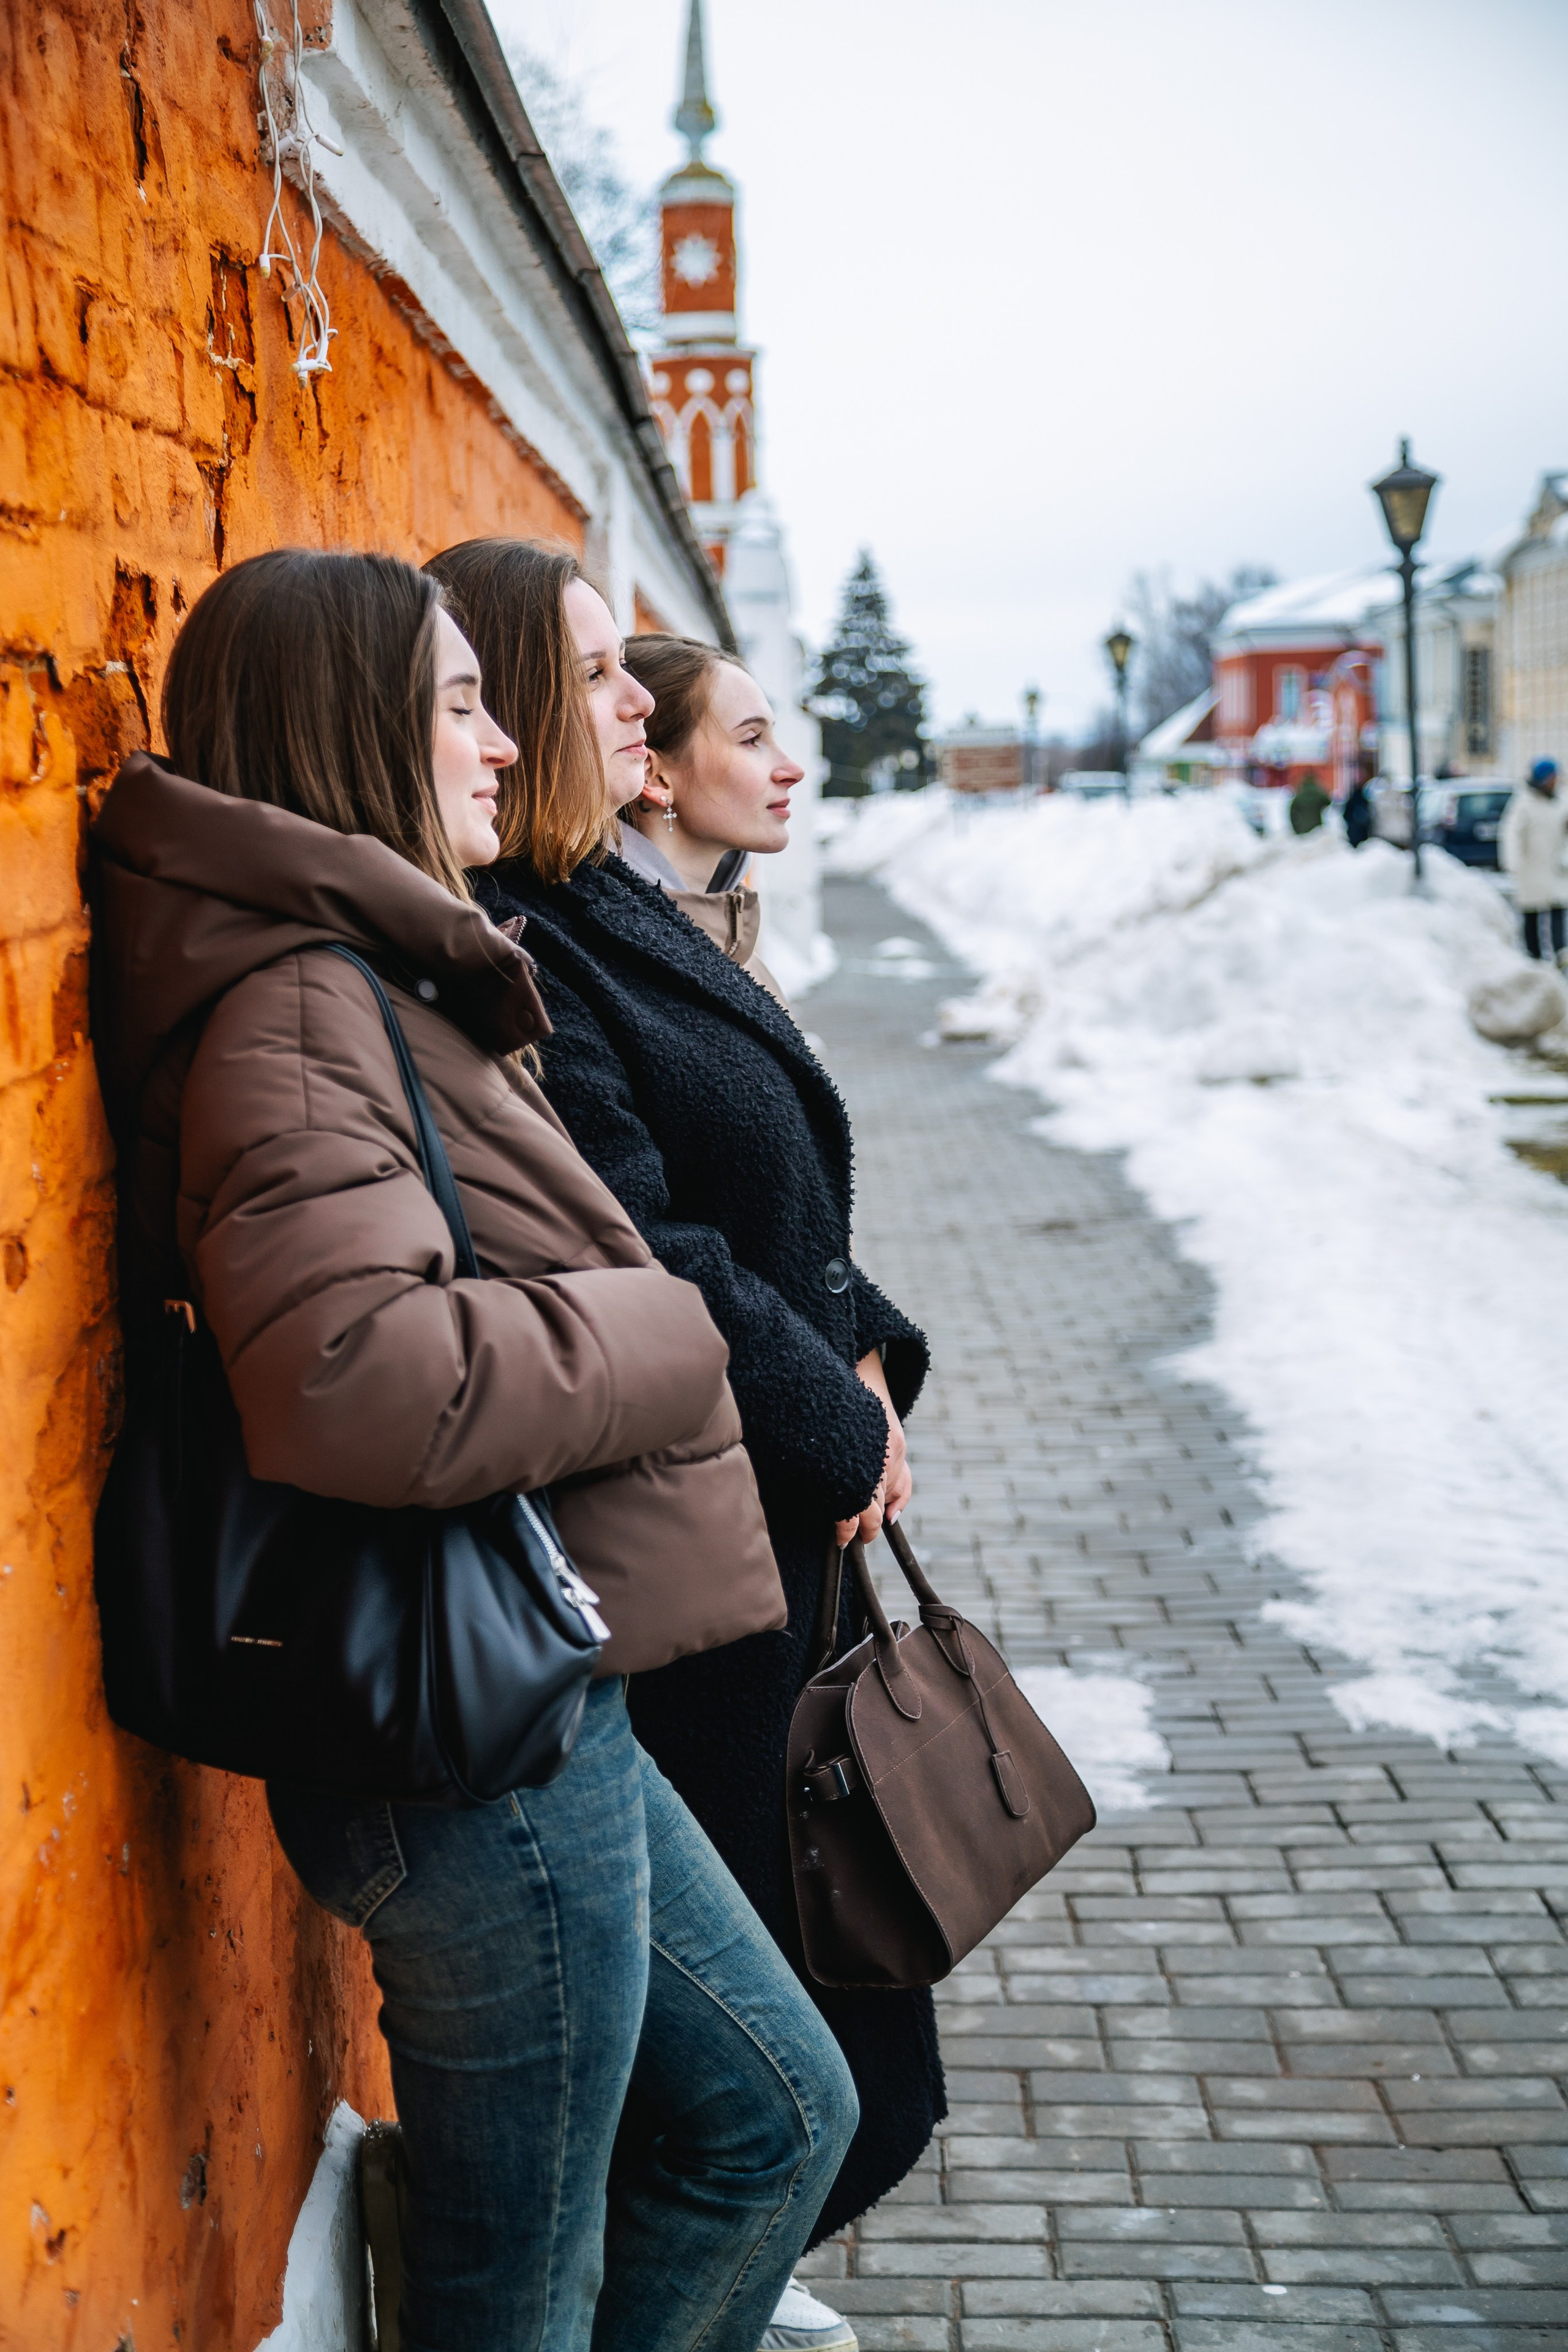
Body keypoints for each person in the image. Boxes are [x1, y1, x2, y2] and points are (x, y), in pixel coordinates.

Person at [88, 549, 857, 2352]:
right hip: (462, 1736)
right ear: (351, 727)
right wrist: (674, 1333)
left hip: (521, 1672)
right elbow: (359, 1374)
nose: (505, 744)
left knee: (771, 2115)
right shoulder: (299, 1005)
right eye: (459, 702)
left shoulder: (367, 962)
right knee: (517, 2285)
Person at [426, 540, 946, 2349]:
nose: (633, 695)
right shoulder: (518, 940)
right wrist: (828, 1407)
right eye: (590, 673)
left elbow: (760, 1207)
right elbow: (645, 1240)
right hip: (670, 1556)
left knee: (805, 2075)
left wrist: (868, 1346)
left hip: (749, 1515)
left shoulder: (590, 900)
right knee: (764, 2095)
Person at [1501, 758, 1568, 961]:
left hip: (1555, 866)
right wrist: (1513, 862)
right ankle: (1534, 954)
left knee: (1558, 909)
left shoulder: (1561, 800)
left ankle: (1560, 952)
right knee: (1532, 913)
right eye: (1553, 778)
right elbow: (1512, 834)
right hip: (1531, 866)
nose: (1556, 781)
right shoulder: (1524, 803)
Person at [1289, 769, 1330, 835]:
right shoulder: (1319, 794)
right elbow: (1328, 803)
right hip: (1317, 828)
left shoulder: (1300, 795)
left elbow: (1292, 813)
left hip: (1303, 828)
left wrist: (1296, 827)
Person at [1342, 775, 1374, 849]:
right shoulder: (1365, 800)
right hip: (1363, 832)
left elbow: (1346, 815)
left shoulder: (1351, 800)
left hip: (1353, 831)